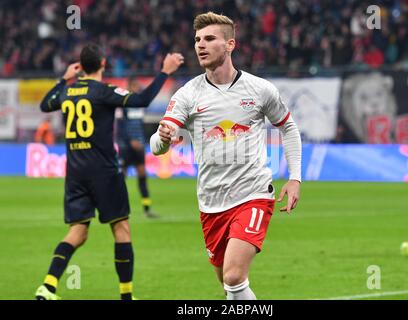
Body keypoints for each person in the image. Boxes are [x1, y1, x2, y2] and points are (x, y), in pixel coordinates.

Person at [150, 12, 302, 300]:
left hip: (253, 195)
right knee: (229, 286)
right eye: (197, 40)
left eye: (209, 39)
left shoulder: (259, 89)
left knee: (234, 276)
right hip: (211, 203)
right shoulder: (188, 94)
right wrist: (163, 138)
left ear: (230, 44)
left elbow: (288, 127)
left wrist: (295, 178)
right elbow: (157, 146)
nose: (200, 45)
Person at [35, 43, 184, 300]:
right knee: (121, 229)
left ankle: (47, 287)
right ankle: (126, 296)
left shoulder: (68, 92)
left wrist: (63, 79)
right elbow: (142, 100)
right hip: (104, 172)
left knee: (77, 232)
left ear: (80, 66)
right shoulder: (103, 92)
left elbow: (45, 105)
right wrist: (164, 72)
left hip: (75, 173)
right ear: (103, 64)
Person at [116, 77, 163, 218]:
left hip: (139, 145)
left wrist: (142, 140)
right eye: (135, 85)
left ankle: (147, 209)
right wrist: (130, 141)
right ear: (129, 87)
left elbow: (141, 125)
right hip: (126, 146)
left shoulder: (140, 105)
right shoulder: (123, 104)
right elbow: (120, 126)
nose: (138, 88)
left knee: (142, 175)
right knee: (121, 177)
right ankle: (118, 208)